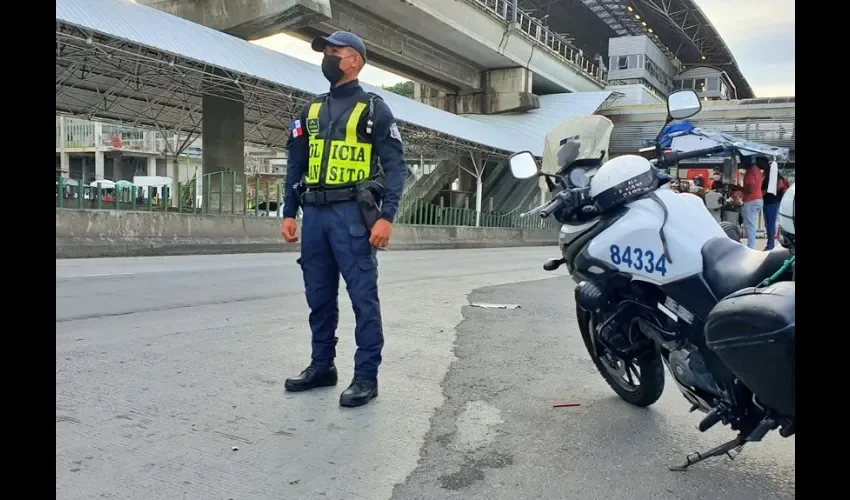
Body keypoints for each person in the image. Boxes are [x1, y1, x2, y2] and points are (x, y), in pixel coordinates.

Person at [280, 31, 406, 408]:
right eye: (327, 53)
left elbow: (396, 168)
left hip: (352, 215)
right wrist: (288, 211)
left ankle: (366, 377)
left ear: (355, 60)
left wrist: (387, 217)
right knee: (318, 296)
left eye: (336, 52)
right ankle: (322, 367)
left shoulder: (373, 108)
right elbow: (295, 164)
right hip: (314, 215)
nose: (328, 58)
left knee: (363, 299)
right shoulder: (310, 111)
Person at [758, 156, 790, 250]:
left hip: (771, 201)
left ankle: (770, 245)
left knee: (770, 223)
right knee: (768, 224)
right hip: (769, 200)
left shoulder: (773, 172)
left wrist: (768, 191)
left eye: (758, 162)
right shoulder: (766, 172)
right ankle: (770, 244)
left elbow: (779, 185)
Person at [740, 155, 764, 249]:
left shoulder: (750, 172)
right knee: (752, 225)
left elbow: (750, 188)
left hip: (751, 200)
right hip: (758, 199)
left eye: (742, 161)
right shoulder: (757, 170)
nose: (742, 164)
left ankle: (751, 247)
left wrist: (739, 188)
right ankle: (751, 246)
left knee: (750, 226)